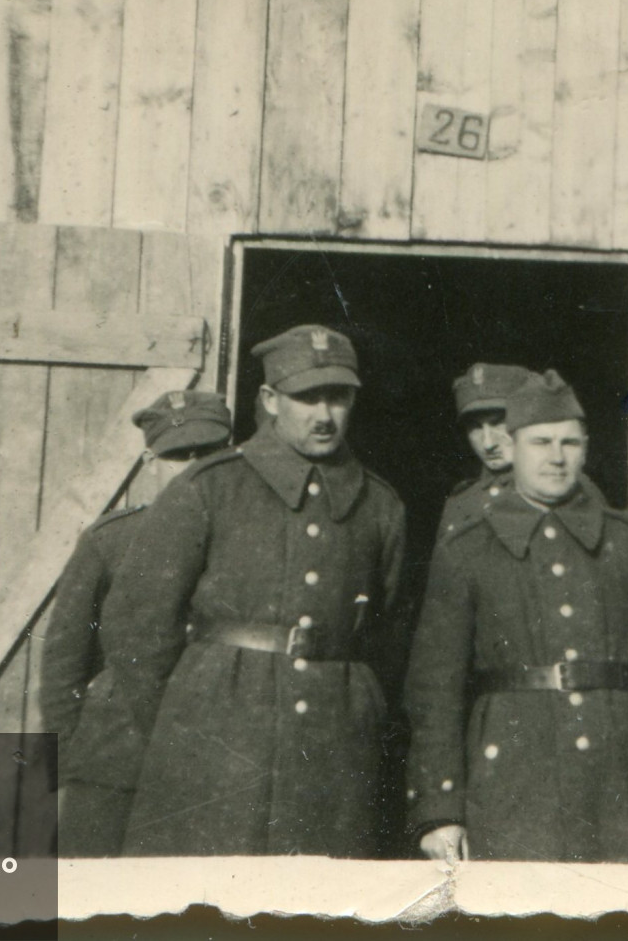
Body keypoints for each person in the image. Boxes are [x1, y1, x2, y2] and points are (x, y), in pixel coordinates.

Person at [103, 325, 407, 857]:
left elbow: (390, 634)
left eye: (338, 397)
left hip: (333, 747)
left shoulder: (381, 506)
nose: (324, 414)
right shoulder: (210, 487)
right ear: (269, 400)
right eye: (306, 397)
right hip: (214, 743)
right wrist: (187, 722)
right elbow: (136, 625)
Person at [404, 370, 628, 862]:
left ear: (586, 448)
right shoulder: (467, 549)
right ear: (512, 444)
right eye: (541, 441)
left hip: (625, 777)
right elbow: (435, 690)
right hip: (513, 778)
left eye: (570, 442)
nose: (557, 456)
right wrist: (440, 809)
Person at [39, 390, 234, 857]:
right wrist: (76, 756)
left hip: (215, 753)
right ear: (150, 461)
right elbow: (65, 661)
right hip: (118, 756)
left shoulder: (248, 541)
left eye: (206, 453)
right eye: (176, 455)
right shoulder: (111, 541)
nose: (190, 467)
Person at [439, 363, 536, 535]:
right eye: (475, 427)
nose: (488, 443)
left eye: (498, 422)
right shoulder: (460, 504)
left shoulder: (560, 493)